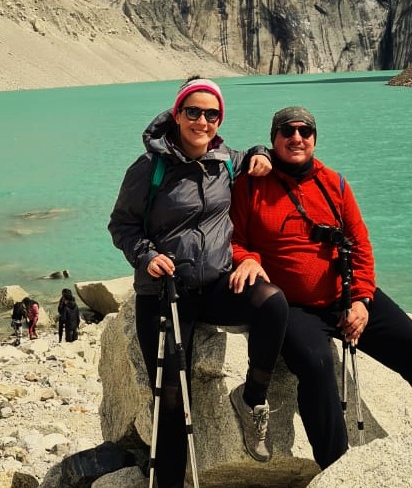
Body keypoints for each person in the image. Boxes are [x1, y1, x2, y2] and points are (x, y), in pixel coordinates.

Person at [229, 106, 412, 470]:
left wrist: (361, 298)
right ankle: (338, 469)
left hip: (344, 295)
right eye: (287, 131)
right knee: (316, 363)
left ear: (314, 138)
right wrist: (247, 258)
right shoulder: (251, 184)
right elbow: (233, 239)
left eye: (304, 132)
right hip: (294, 307)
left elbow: (360, 243)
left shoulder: (334, 184)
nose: (296, 138)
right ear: (273, 138)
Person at [108, 77, 289, 486]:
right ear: (177, 114)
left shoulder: (224, 160)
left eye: (211, 114)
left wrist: (262, 152)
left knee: (272, 303)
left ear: (219, 119)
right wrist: (146, 256)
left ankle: (253, 400)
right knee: (173, 398)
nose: (202, 121)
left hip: (215, 285)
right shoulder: (149, 169)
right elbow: (122, 225)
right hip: (164, 294)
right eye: (193, 112)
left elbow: (252, 155)